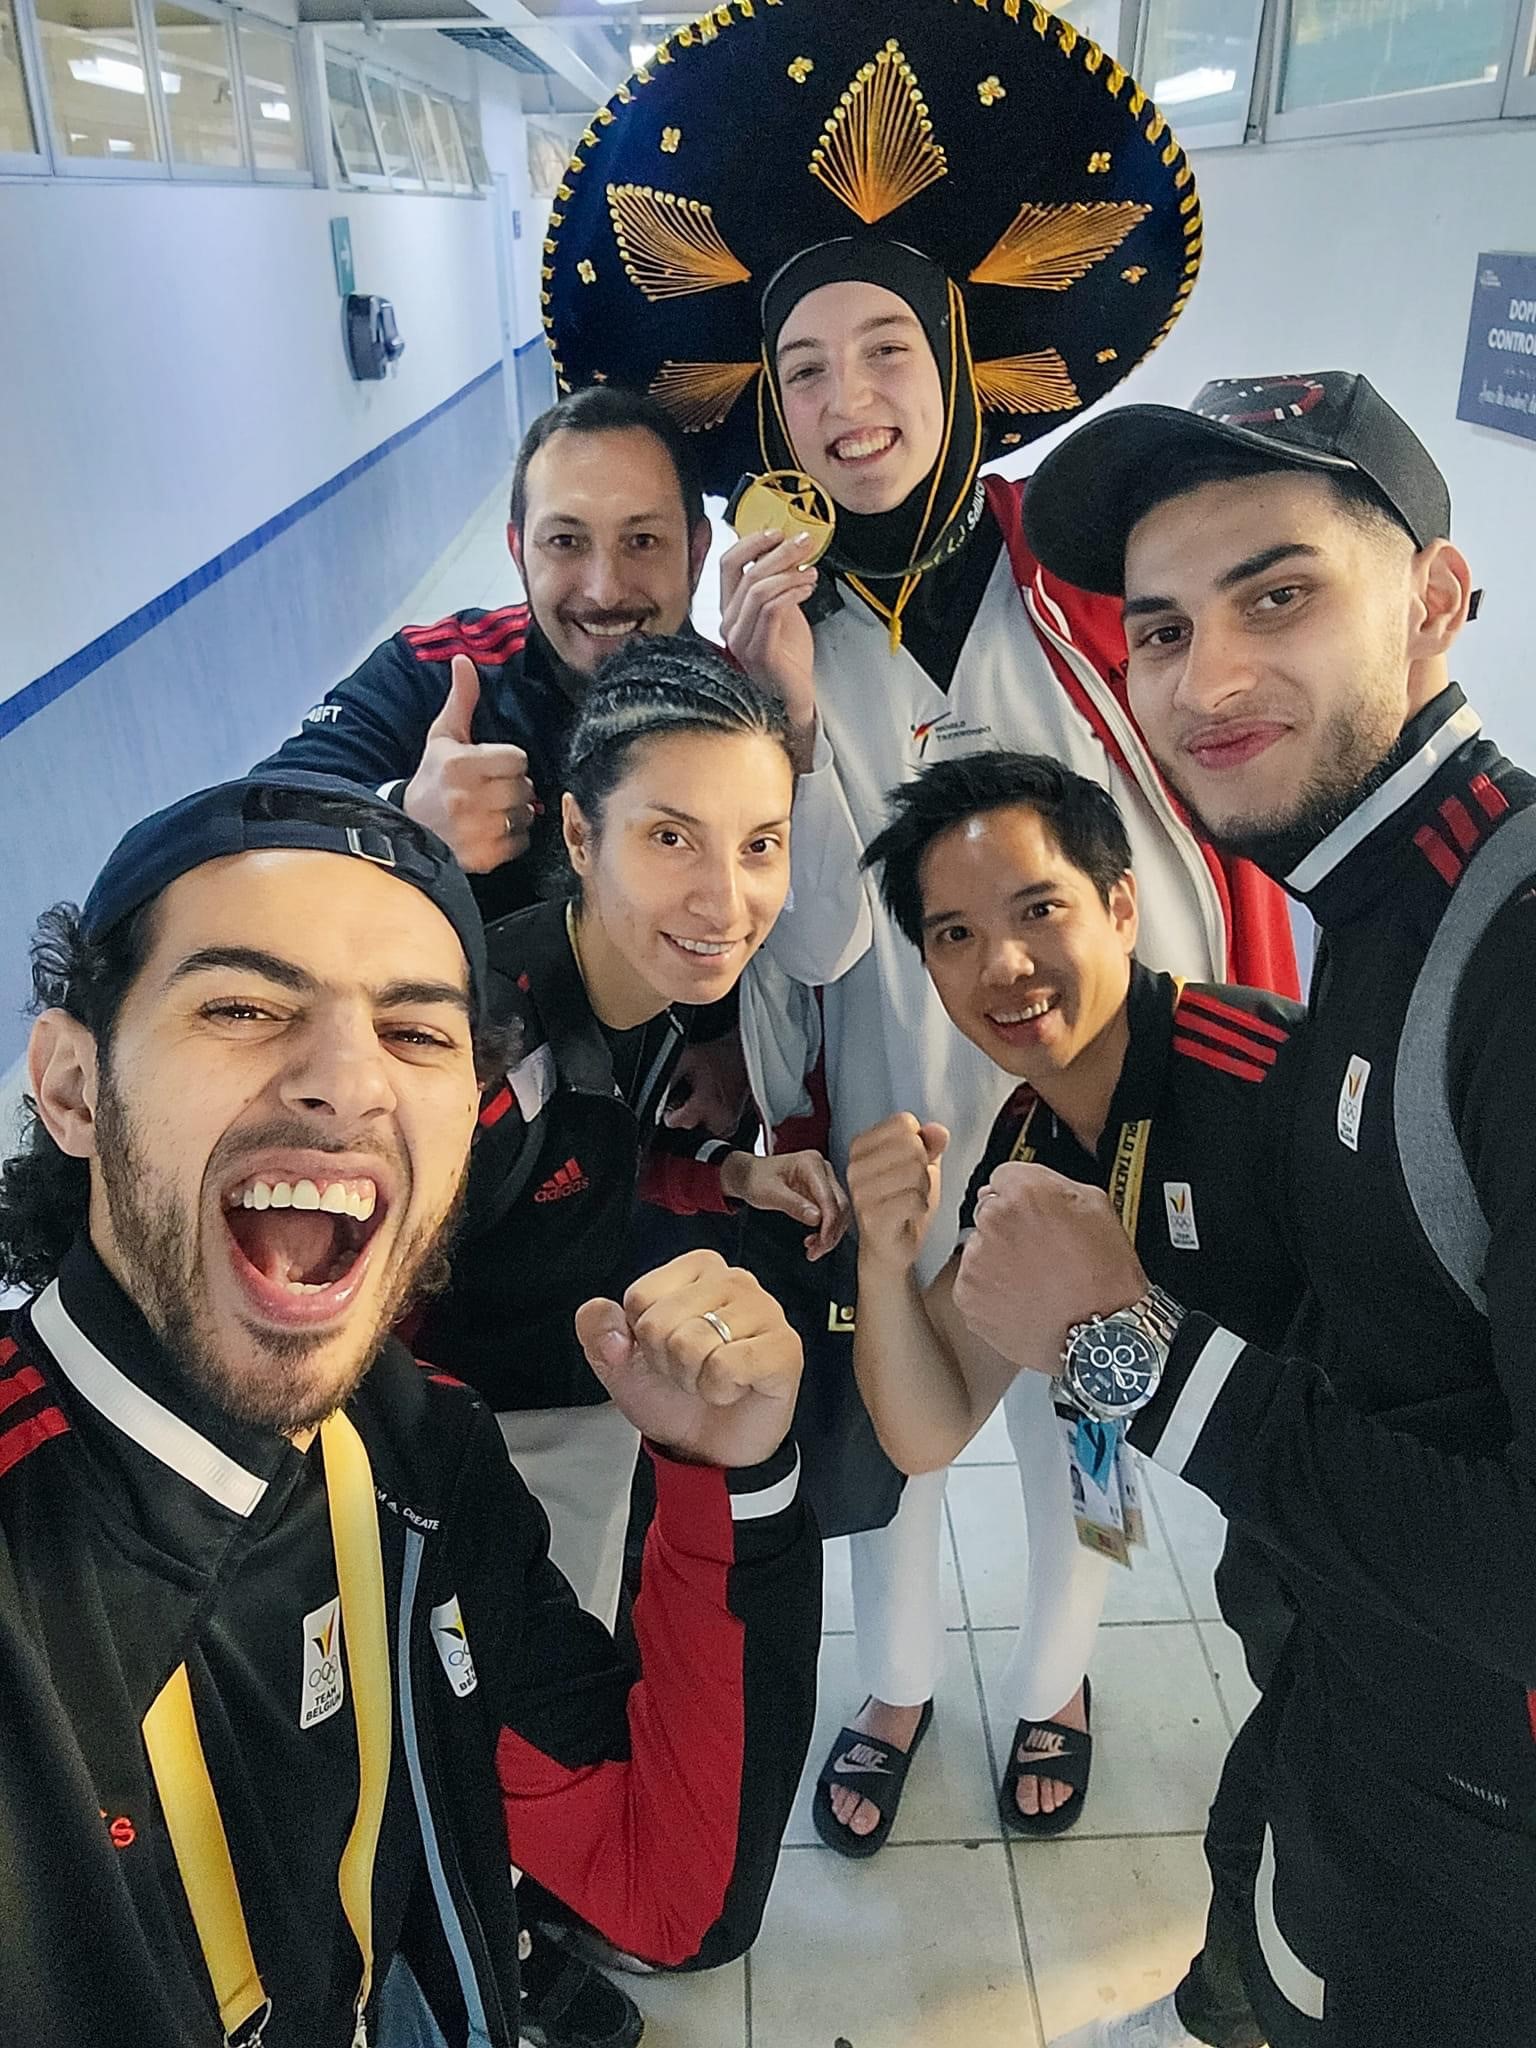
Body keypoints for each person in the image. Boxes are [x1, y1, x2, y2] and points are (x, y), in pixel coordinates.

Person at [544, 0, 1298, 1851]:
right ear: (772, 412)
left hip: (1117, 1107)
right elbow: (798, 949)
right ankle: (891, 1683)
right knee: (893, 1426)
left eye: (888, 348)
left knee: (1089, 1417)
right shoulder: (769, 642)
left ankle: (1056, 1676)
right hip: (891, 1112)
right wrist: (787, 713)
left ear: (960, 366)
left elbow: (1219, 816)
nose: (849, 396)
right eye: (804, 368)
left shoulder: (1085, 576)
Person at [0, 770, 820, 2048]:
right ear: (71, 1087)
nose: (348, 1080)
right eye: (241, 1005)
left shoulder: (416, 1452)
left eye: (418, 1032)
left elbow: (668, 1886)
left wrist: (730, 1477)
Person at [949, 370, 1536, 2048]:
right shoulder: (1374, 912)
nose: (1204, 682)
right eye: (1161, 628)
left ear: (1433, 602)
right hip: (1345, 1741)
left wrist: (1125, 1345)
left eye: (1278, 597)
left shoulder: (1510, 955)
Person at [842, 751, 1303, 1832]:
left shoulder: (1263, 1071)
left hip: (1403, 1546)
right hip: (1286, 1552)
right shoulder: (1028, 1138)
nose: (1003, 964)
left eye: (1038, 909)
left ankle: (1058, 1687)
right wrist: (881, 1259)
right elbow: (928, 1425)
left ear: (1121, 907)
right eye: (954, 934)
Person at [412, 637, 848, 1631]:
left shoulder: (647, 983)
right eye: (670, 837)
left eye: (760, 844)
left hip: (578, 1397)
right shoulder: (482, 1064)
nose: (724, 901)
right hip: (464, 1449)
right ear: (578, 834)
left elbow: (604, 1143)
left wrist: (730, 1174)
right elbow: (356, 1312)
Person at [258, 384, 713, 928]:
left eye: (642, 540)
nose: (604, 590)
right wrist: (400, 816)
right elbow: (228, 828)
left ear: (696, 553)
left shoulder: (748, 700)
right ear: (518, 553)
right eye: (565, 541)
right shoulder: (437, 671)